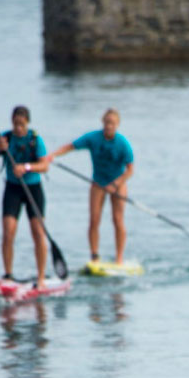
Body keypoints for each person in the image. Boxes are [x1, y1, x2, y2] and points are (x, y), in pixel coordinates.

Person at [48, 109, 134, 264]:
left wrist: (115, 184)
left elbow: (130, 170)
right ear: (103, 122)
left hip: (118, 182)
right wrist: (52, 155)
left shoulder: (123, 143)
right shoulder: (93, 138)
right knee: (94, 219)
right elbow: (70, 146)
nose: (109, 126)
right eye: (107, 122)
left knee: (117, 219)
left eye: (112, 123)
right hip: (98, 182)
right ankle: (94, 256)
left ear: (117, 125)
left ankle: (119, 258)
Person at [0, 105, 49, 286]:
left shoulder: (35, 140)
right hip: (12, 189)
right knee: (8, 232)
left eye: (22, 124)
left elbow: (44, 166)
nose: (18, 128)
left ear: (27, 123)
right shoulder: (6, 138)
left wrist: (26, 167)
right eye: (16, 124)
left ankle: (41, 278)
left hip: (33, 188)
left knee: (38, 232)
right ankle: (8, 275)